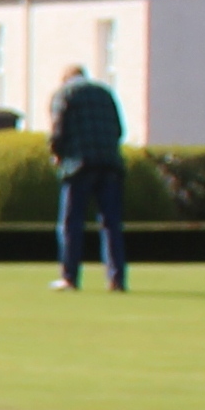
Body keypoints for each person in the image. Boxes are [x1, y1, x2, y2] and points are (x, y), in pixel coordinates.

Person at [45, 64, 128, 293]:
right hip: (109, 163)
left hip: (78, 164)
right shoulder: (105, 92)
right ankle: (116, 279)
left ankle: (69, 277)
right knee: (111, 224)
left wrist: (56, 153)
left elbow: (58, 130)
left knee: (71, 223)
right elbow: (120, 130)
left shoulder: (64, 94)